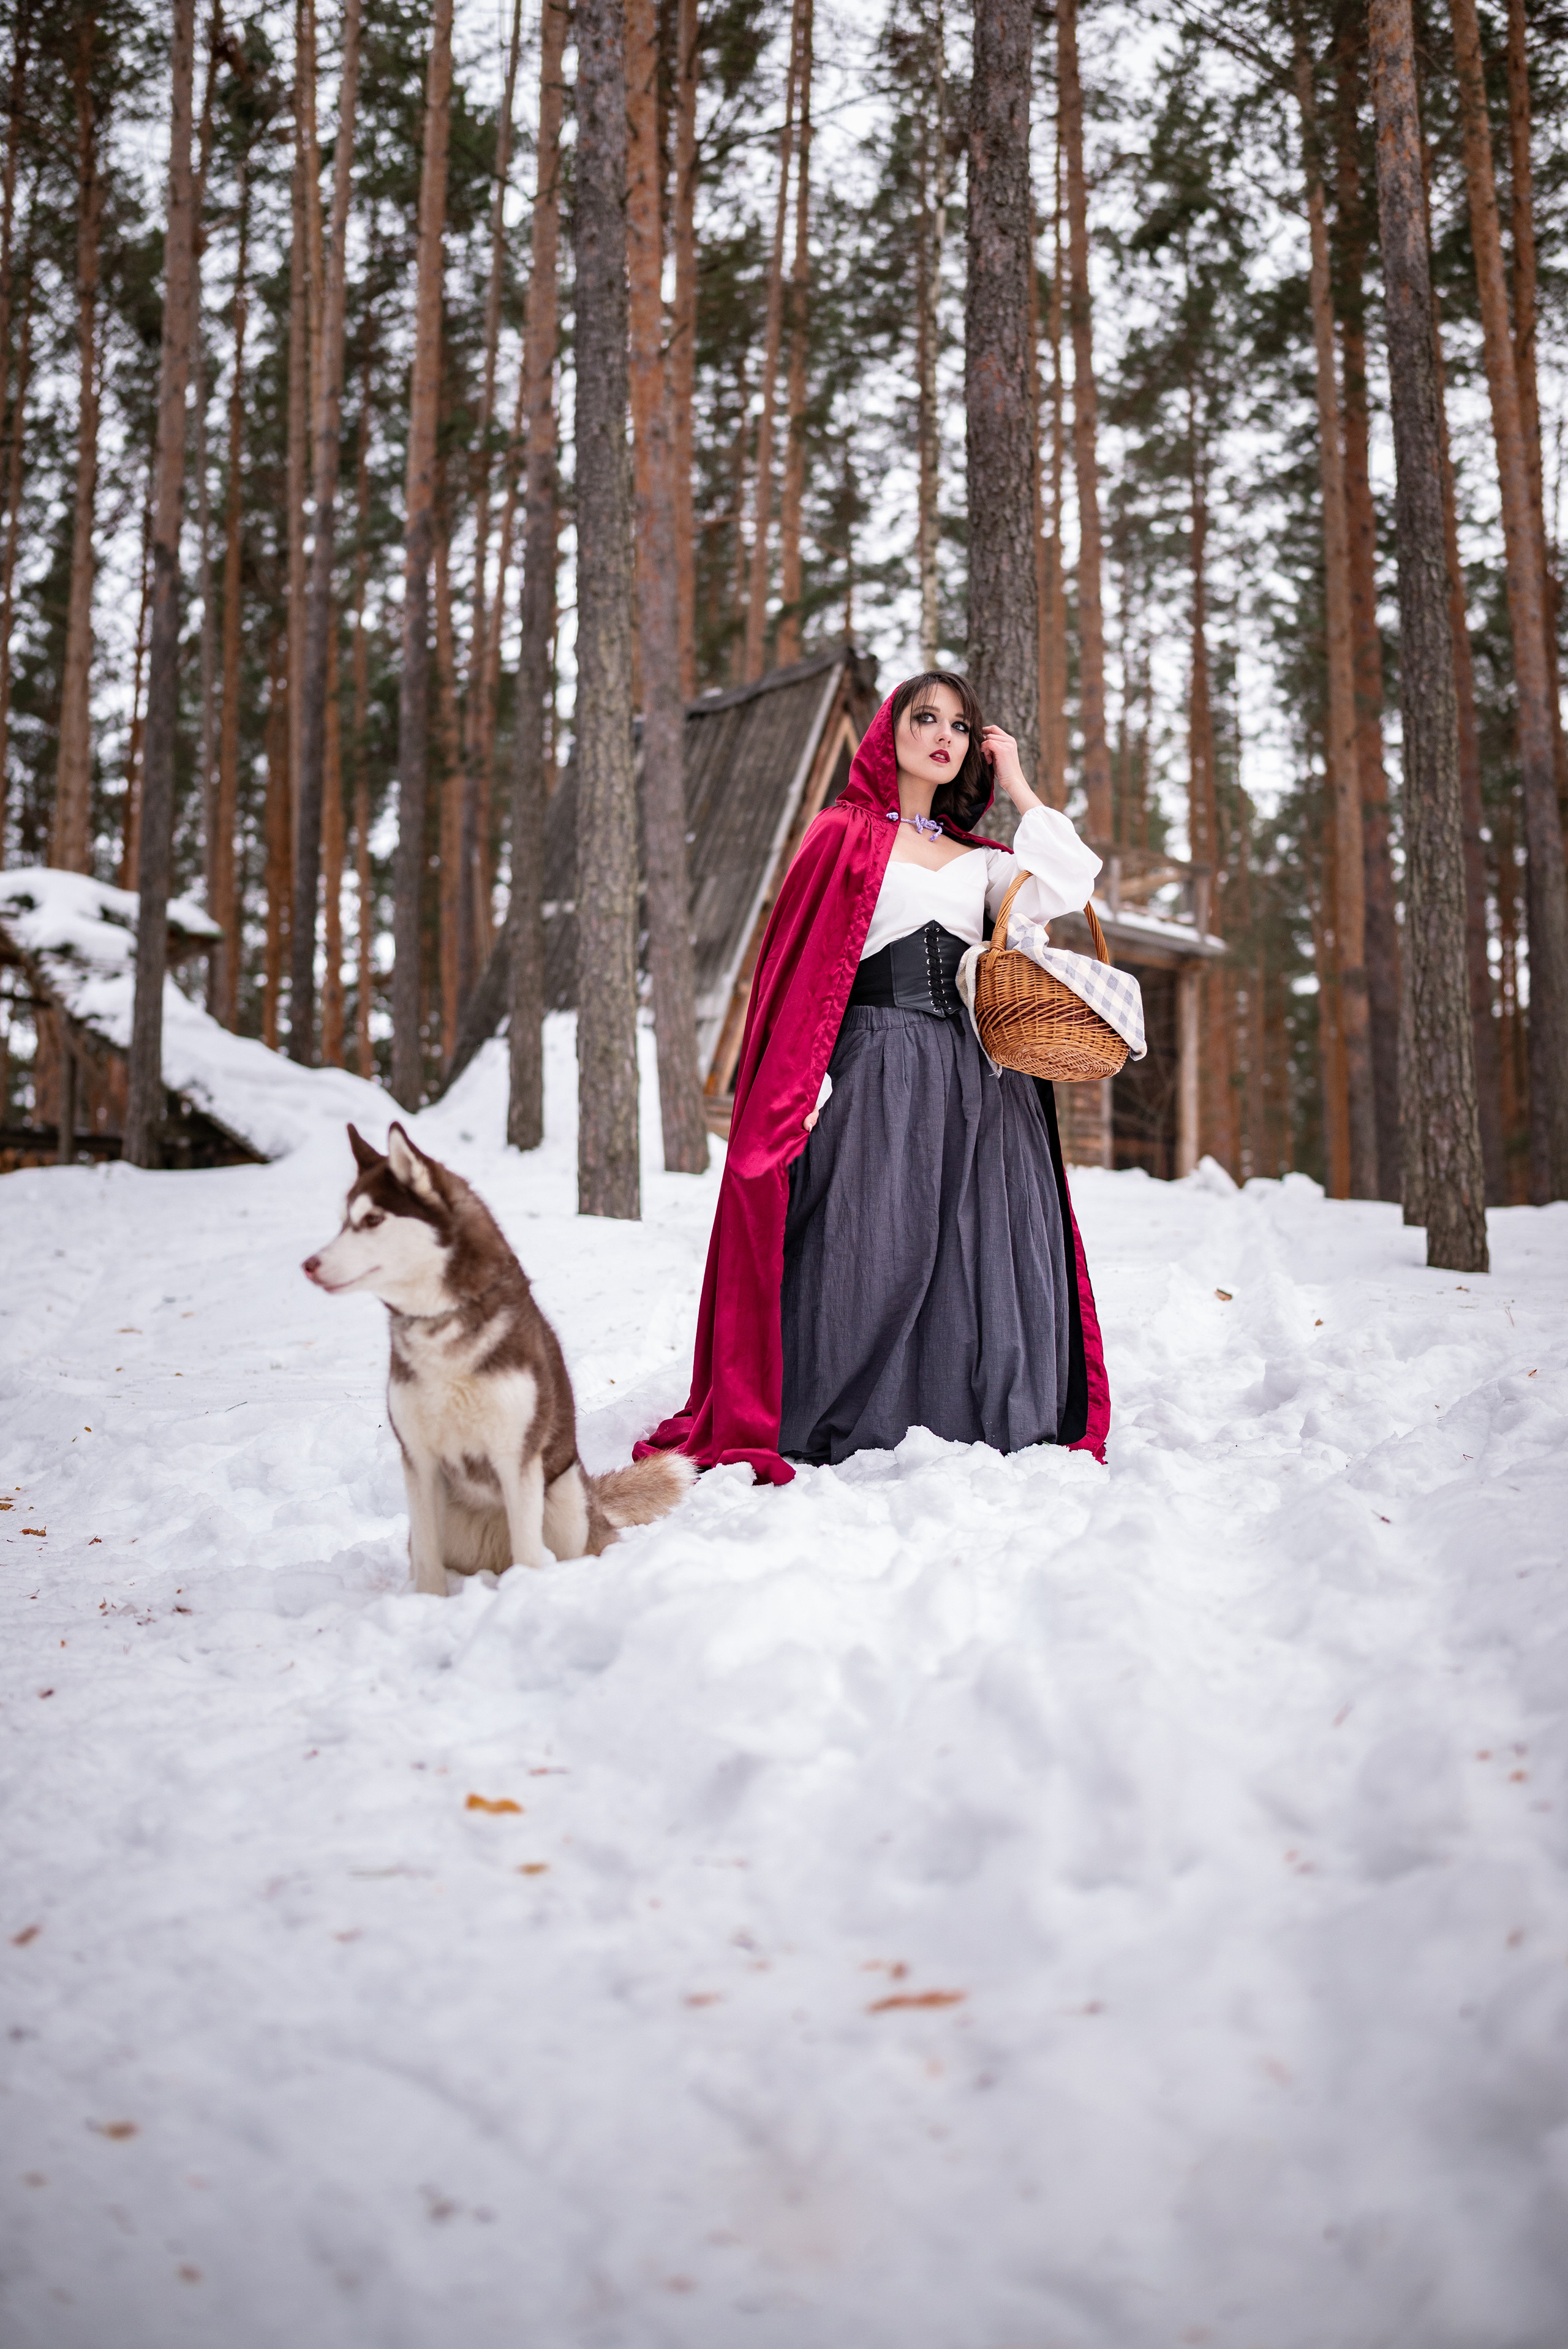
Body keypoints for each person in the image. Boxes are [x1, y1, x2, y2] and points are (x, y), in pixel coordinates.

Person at [638, 671, 1110, 1488]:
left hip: (977, 1076)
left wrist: (1022, 784)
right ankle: (848, 1407)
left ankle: (976, 1413)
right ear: (887, 732)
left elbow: (1071, 882)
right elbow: (799, 975)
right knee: (873, 1236)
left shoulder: (985, 863)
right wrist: (802, 1086)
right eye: (924, 717)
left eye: (960, 726)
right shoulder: (841, 834)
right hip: (877, 1063)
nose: (943, 735)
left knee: (975, 1244)